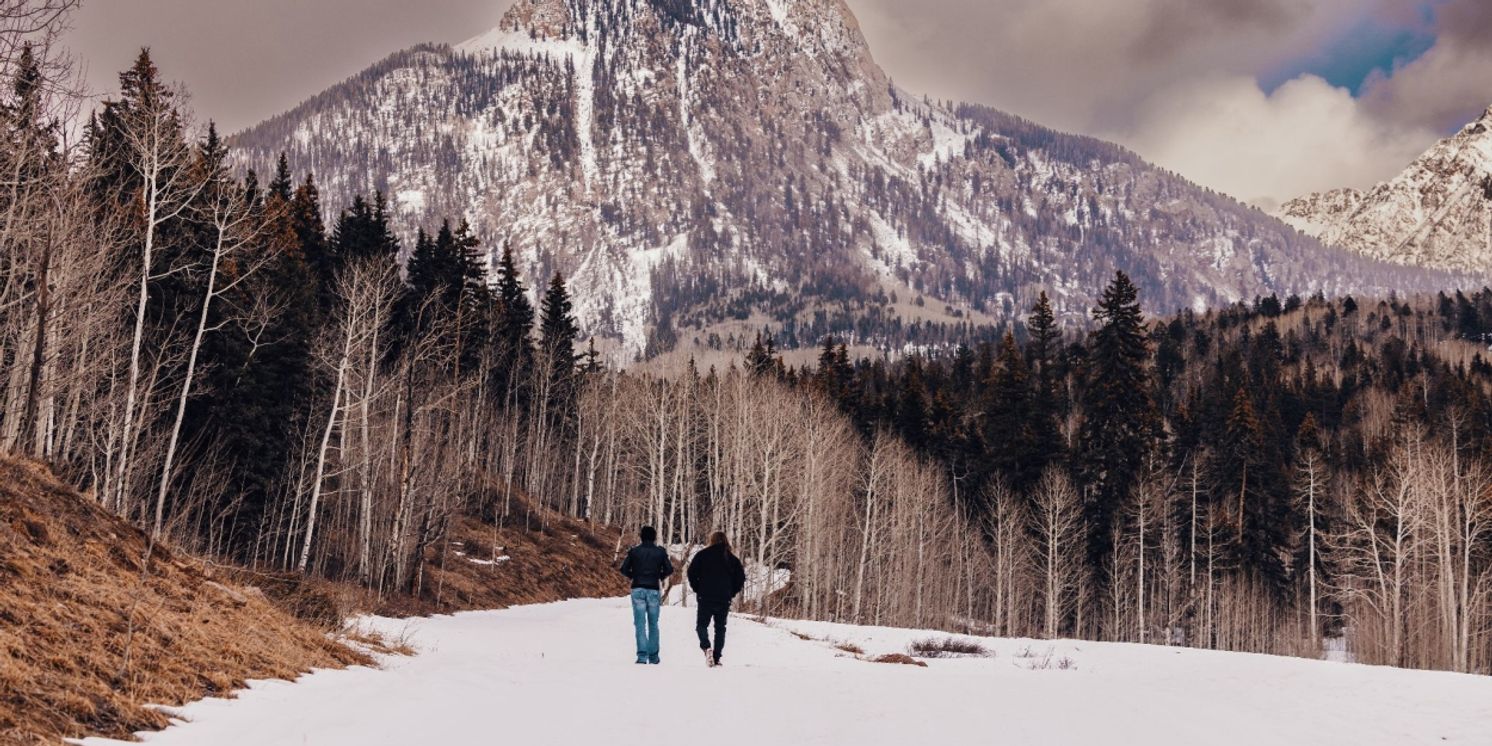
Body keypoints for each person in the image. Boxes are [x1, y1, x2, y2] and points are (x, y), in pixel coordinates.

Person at [686, 531, 746, 668]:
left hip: (705, 596)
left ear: (711, 540)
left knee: (701, 625)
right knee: (720, 628)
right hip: (723, 598)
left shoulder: (702, 555)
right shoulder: (732, 559)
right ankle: (717, 657)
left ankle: (706, 647)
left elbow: (691, 573)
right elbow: (740, 579)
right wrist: (731, 592)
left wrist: (697, 588)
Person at [619, 525, 673, 665]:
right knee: (653, 624)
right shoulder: (660, 552)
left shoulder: (634, 551)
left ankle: (642, 656)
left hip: (638, 588)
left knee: (640, 624)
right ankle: (653, 657)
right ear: (654, 537)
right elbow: (669, 569)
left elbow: (623, 569)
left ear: (641, 537)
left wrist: (633, 576)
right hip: (653, 589)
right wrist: (660, 576)